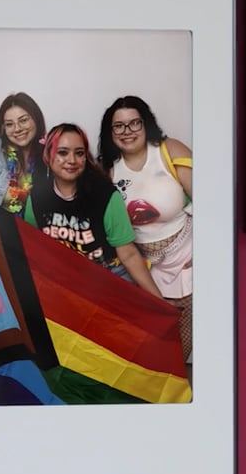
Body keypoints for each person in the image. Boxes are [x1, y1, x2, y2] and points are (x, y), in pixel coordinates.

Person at [98, 97, 193, 356]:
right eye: (119, 126)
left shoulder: (170, 150)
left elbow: (211, 207)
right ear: (110, 131)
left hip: (189, 265)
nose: (127, 132)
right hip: (143, 272)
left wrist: (202, 258)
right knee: (153, 353)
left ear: (146, 123)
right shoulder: (107, 171)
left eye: (134, 123)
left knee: (181, 350)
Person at [23, 123, 161, 299]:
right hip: (65, 280)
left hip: (107, 277)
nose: (72, 160)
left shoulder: (106, 196)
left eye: (79, 153)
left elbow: (128, 253)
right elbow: (32, 247)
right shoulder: (36, 197)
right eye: (63, 152)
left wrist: (160, 302)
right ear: (48, 156)